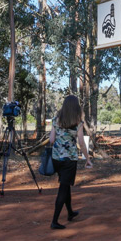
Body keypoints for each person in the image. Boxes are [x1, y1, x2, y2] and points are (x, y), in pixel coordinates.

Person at [48, 95, 93, 229]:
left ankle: (70, 212)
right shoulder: (78, 122)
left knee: (65, 185)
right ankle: (54, 221)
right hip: (69, 159)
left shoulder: (56, 120)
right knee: (63, 188)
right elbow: (81, 143)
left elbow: (51, 139)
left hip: (56, 158)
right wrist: (87, 159)